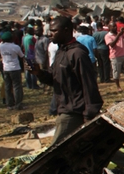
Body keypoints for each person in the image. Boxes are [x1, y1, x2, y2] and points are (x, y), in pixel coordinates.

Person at [30, 16, 103, 144]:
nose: (49, 34)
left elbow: (89, 85)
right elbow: (53, 79)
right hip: (64, 107)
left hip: (75, 112)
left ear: (66, 30)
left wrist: (90, 114)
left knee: (55, 151)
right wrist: (39, 73)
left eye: (54, 31)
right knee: (93, 144)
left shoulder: (77, 53)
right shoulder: (61, 52)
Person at [0, 31, 25, 110]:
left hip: (5, 68)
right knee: (17, 86)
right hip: (15, 68)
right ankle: (18, 104)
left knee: (7, 86)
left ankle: (9, 104)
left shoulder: (0, 46)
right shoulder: (15, 47)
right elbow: (22, 56)